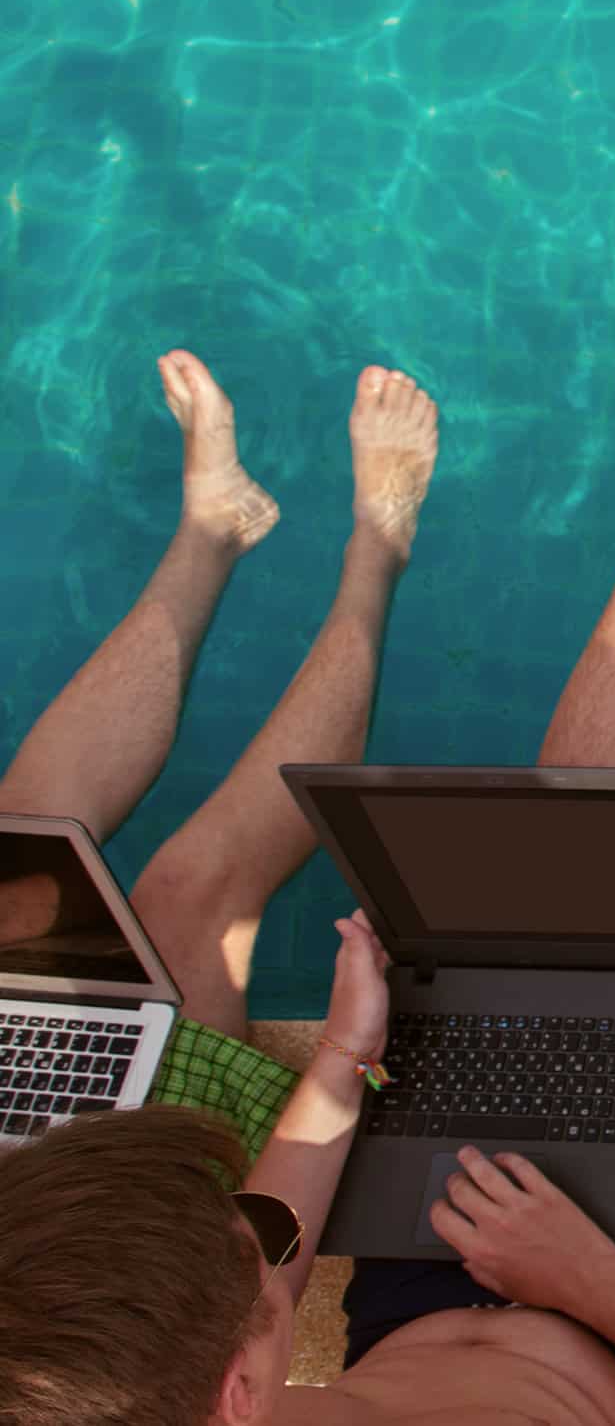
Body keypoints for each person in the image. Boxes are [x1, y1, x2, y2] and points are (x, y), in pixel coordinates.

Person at [0, 339, 615, 1426]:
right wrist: (582, 1277)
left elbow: (260, 1247)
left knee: (564, 878)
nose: (266, 1245)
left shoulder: (119, 1399)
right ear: (238, 1391)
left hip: (438, 1246)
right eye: (258, 1284)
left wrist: (345, 1054)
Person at [0, 350, 441, 1155]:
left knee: (27, 838)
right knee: (192, 892)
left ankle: (212, 530)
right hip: (111, 1189)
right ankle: (377, 552)